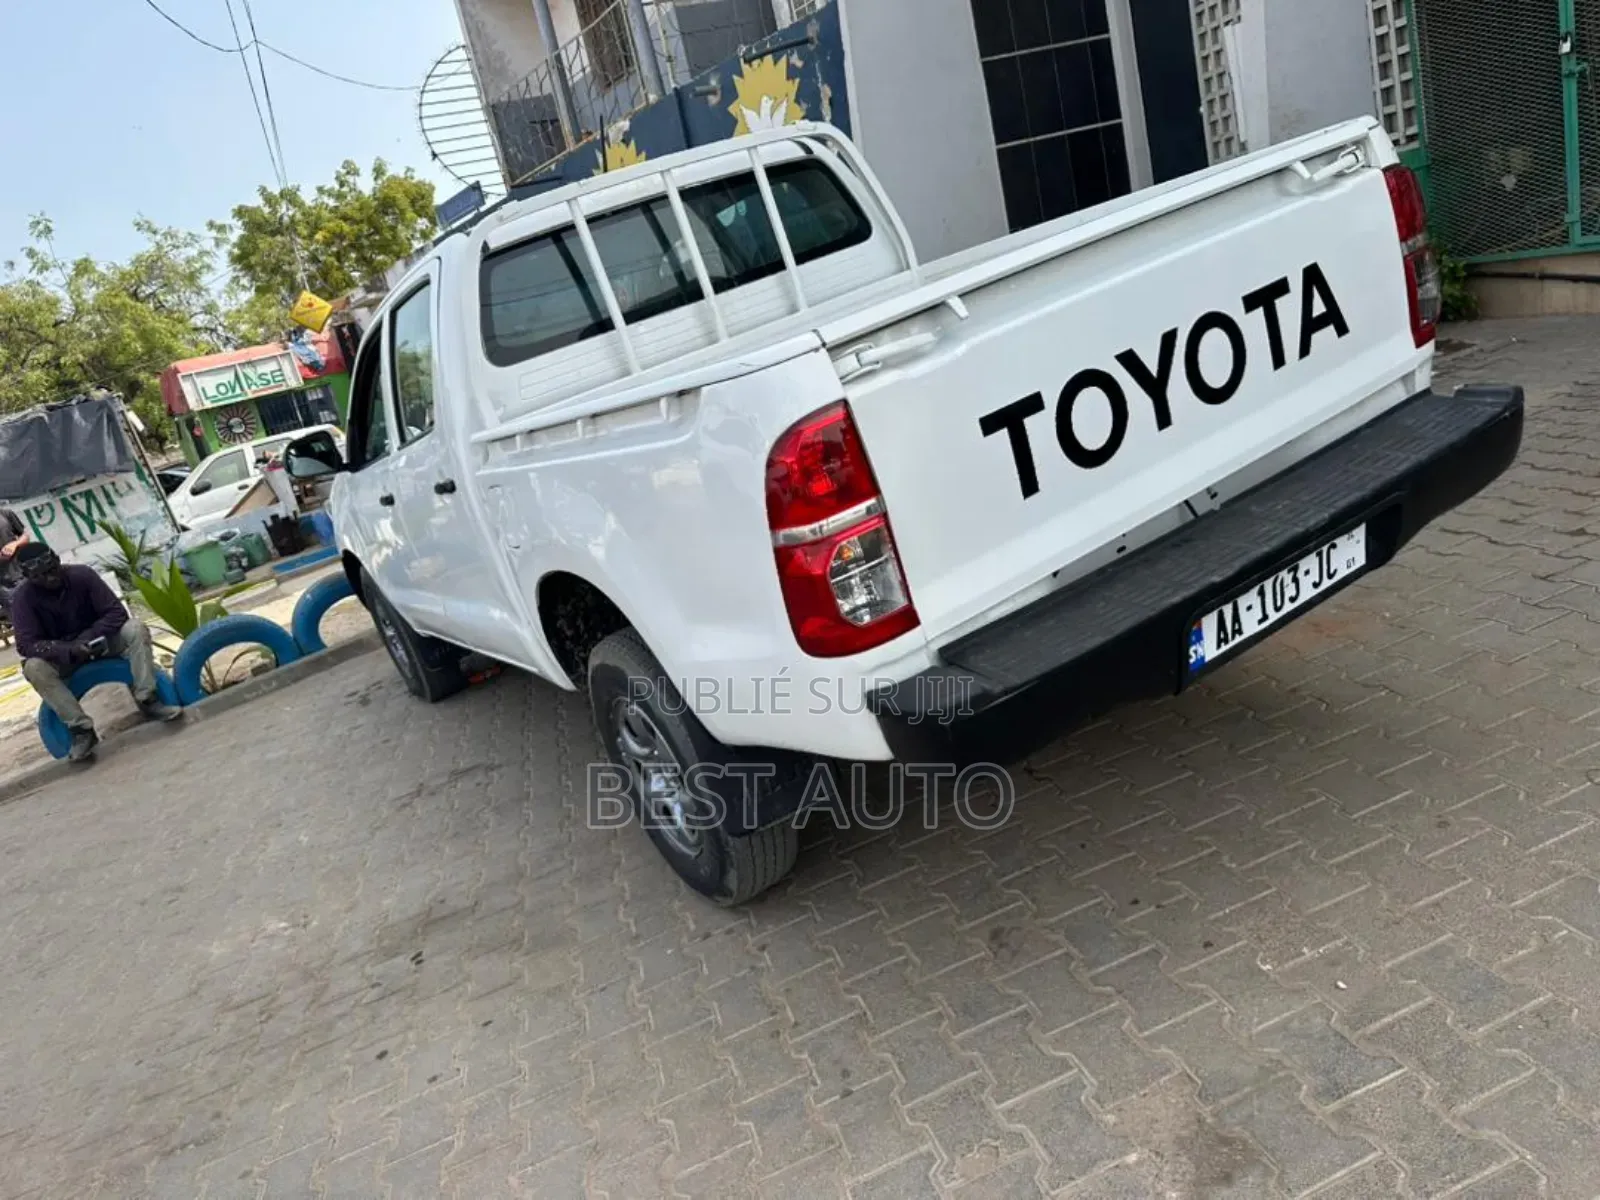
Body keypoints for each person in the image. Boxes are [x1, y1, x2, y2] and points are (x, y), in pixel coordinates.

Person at [10, 543, 182, 762]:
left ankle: (148, 699)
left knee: (135, 628)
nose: (50, 578)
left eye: (52, 570)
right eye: (40, 576)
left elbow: (116, 613)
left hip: (101, 642)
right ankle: (81, 730)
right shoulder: (23, 598)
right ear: (28, 576)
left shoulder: (82, 575)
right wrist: (68, 650)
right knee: (33, 667)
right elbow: (26, 644)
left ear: (58, 561)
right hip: (64, 658)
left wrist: (88, 638)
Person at [0, 506, 30, 618]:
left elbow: (25, 536)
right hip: (4, 586)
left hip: (25, 573)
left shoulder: (5, 513)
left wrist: (15, 544)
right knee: (23, 618)